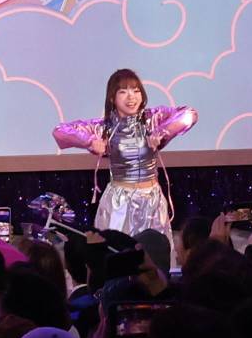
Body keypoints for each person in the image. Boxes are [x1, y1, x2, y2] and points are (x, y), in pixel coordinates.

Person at [50, 68, 195, 243]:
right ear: (112, 97)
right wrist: (89, 141)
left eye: (136, 91)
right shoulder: (104, 126)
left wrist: (163, 131)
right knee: (117, 252)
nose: (131, 97)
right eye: (123, 92)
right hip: (119, 201)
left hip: (151, 199)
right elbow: (60, 131)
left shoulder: (153, 118)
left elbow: (190, 114)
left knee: (154, 254)